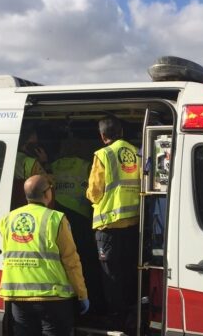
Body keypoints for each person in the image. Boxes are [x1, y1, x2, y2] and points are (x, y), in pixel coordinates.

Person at [0, 175, 89, 336]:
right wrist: (82, 294)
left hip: (18, 296)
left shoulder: (7, 220)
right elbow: (71, 261)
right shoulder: (55, 219)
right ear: (47, 194)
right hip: (52, 298)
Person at [86, 116, 141, 332]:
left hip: (109, 225)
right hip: (134, 222)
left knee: (111, 276)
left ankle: (116, 319)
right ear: (122, 131)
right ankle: (130, 313)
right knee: (129, 270)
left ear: (102, 136)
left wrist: (89, 195)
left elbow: (94, 191)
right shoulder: (136, 152)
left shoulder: (103, 155)